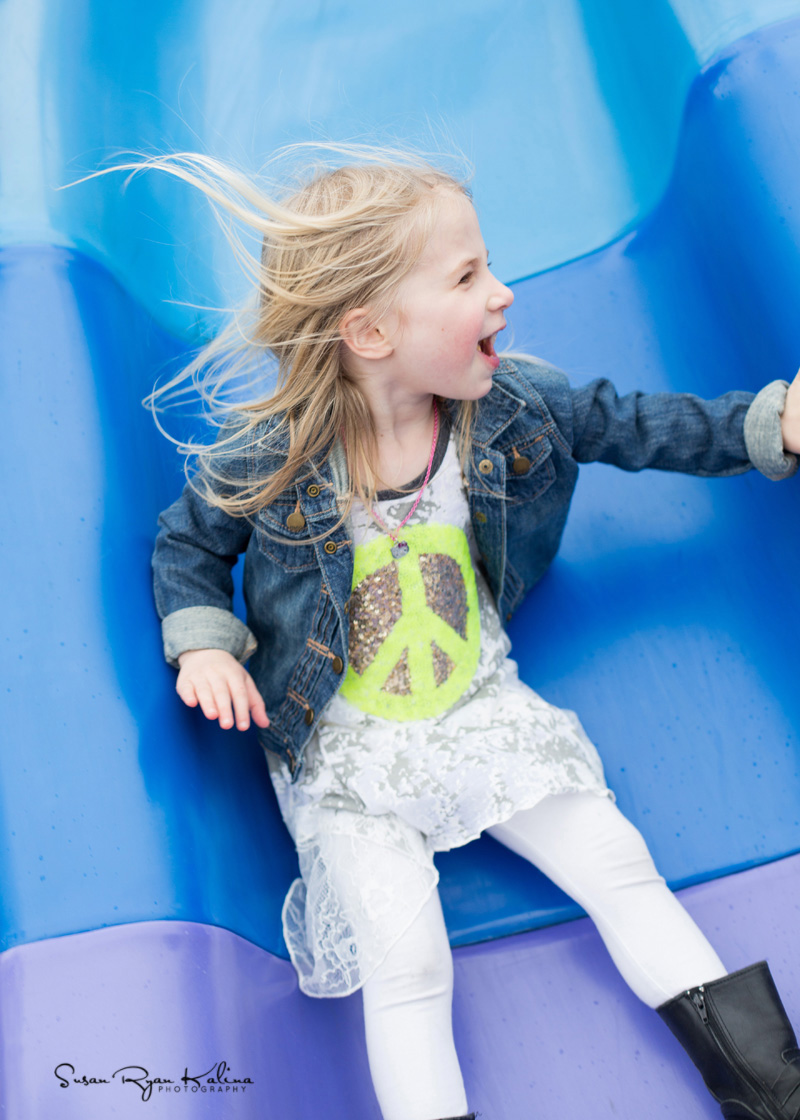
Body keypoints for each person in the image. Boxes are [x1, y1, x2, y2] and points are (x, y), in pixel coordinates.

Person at [147, 147, 800, 1120]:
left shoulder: (511, 408)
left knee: (617, 862)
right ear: (368, 331)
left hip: (476, 708)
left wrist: (770, 422)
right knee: (406, 962)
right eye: (464, 278)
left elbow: (635, 423)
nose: (499, 294)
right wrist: (203, 641)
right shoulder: (275, 454)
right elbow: (188, 541)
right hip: (345, 746)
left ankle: (770, 1090)